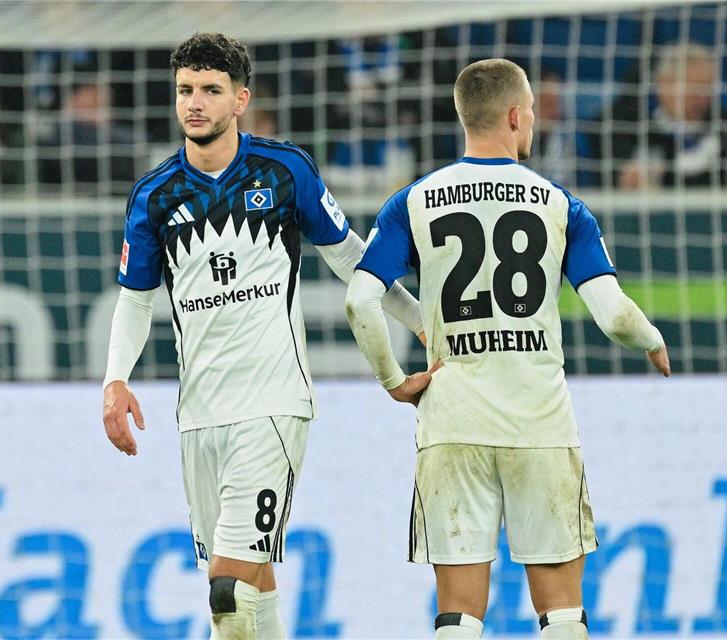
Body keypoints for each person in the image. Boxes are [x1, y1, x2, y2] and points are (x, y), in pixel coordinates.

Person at [100, 33, 425, 638]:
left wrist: (421, 322)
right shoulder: (153, 196)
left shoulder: (284, 170)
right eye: (185, 91)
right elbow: (135, 300)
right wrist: (115, 379)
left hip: (272, 406)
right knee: (251, 585)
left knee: (228, 587)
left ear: (241, 99)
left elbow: (352, 259)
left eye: (210, 91)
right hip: (198, 415)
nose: (195, 103)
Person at [344, 58, 671, 639]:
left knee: (459, 619)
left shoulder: (414, 201)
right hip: (538, 422)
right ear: (517, 115)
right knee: (563, 617)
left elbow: (360, 301)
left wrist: (394, 381)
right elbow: (615, 315)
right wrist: (652, 340)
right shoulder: (561, 205)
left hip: (452, 421)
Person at [596, 43, 727, 188]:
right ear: (665, 84)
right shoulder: (626, 122)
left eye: (708, 89)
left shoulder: (725, 125)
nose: (703, 98)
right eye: (694, 89)